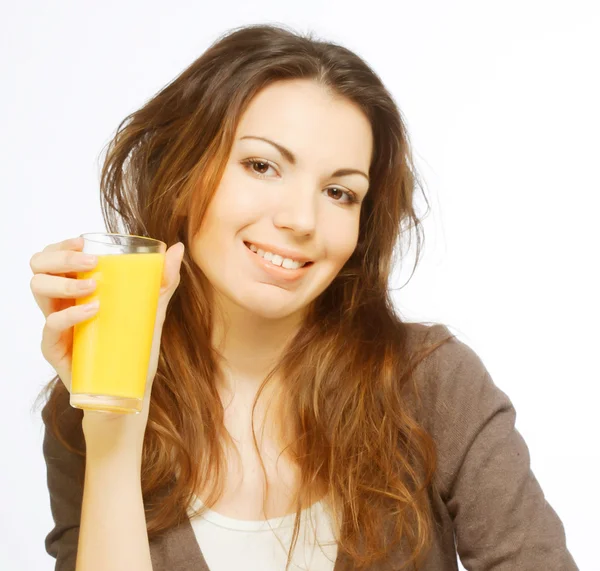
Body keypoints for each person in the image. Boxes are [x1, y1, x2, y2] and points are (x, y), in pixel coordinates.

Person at [30, 24, 578, 571]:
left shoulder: (433, 383)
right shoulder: (89, 401)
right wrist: (114, 420)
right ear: (185, 170)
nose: (300, 220)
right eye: (262, 166)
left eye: (339, 192)